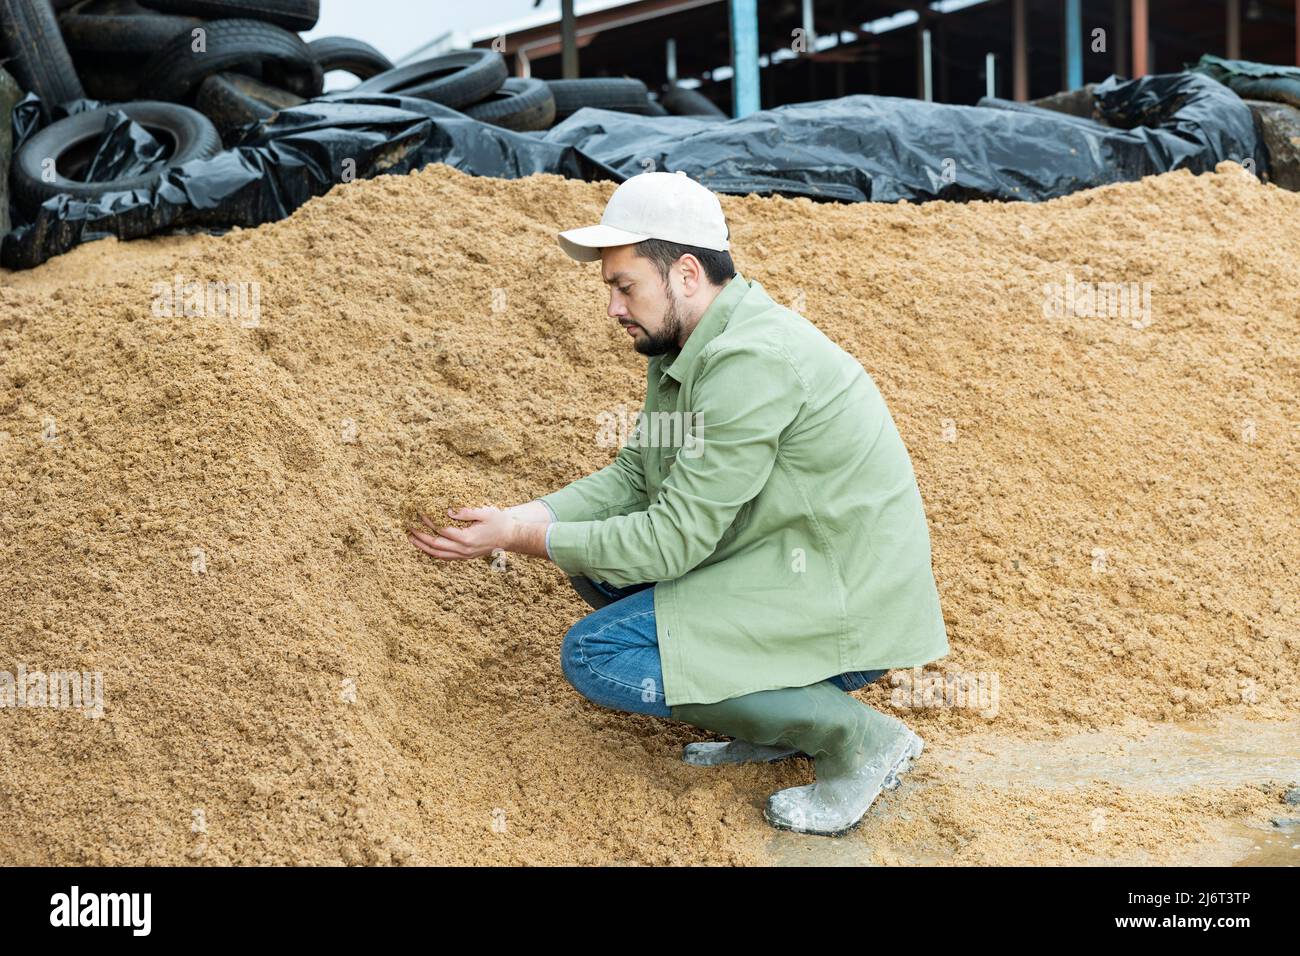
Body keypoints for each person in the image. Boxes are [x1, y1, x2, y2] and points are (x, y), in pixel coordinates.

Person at [408, 170, 950, 837]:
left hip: (846, 605)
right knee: (595, 558)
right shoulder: (683, 348)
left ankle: (857, 739)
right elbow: (635, 477)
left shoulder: (751, 361)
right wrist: (522, 517)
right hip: (776, 567)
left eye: (623, 284)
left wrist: (516, 540)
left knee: (596, 655)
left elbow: (671, 542)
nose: (612, 306)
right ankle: (777, 720)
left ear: (687, 273)